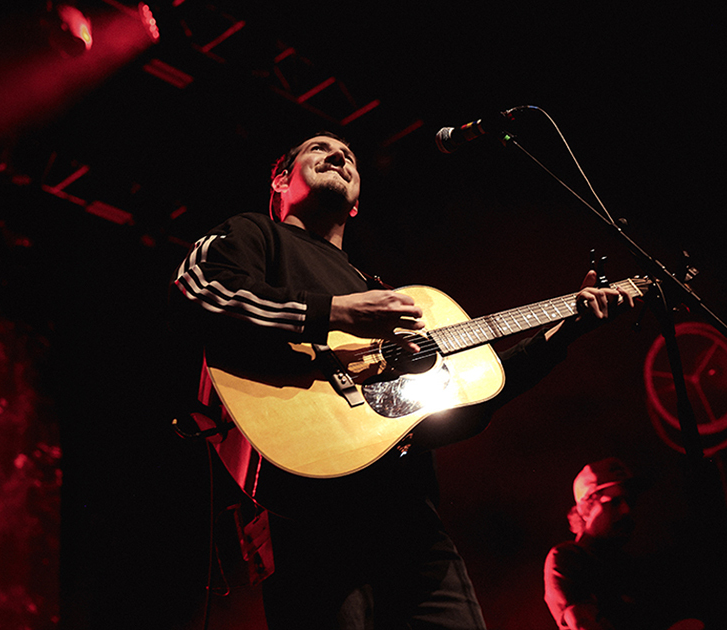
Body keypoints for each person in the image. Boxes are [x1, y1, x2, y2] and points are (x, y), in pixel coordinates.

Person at [171, 131, 637, 629]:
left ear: (355, 206)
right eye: (319, 149)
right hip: (309, 514)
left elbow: (471, 400)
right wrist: (336, 312)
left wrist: (565, 332)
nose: (339, 156)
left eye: (350, 157)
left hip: (411, 521)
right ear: (281, 181)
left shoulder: (376, 290)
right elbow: (202, 285)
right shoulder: (256, 234)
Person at [543, 458, 703, 630]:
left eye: (630, 501)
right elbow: (584, 623)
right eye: (615, 502)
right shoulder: (568, 558)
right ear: (585, 509)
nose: (627, 510)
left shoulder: (629, 565)